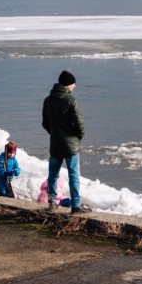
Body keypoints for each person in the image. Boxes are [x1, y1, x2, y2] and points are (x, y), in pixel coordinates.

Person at [42, 70, 91, 215]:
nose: (74, 86)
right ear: (68, 85)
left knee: (53, 175)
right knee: (73, 175)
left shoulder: (48, 100)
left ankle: (51, 203)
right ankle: (76, 205)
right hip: (71, 146)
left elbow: (45, 123)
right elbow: (79, 126)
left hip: (55, 143)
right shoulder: (71, 101)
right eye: (73, 84)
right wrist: (77, 138)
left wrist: (55, 134)